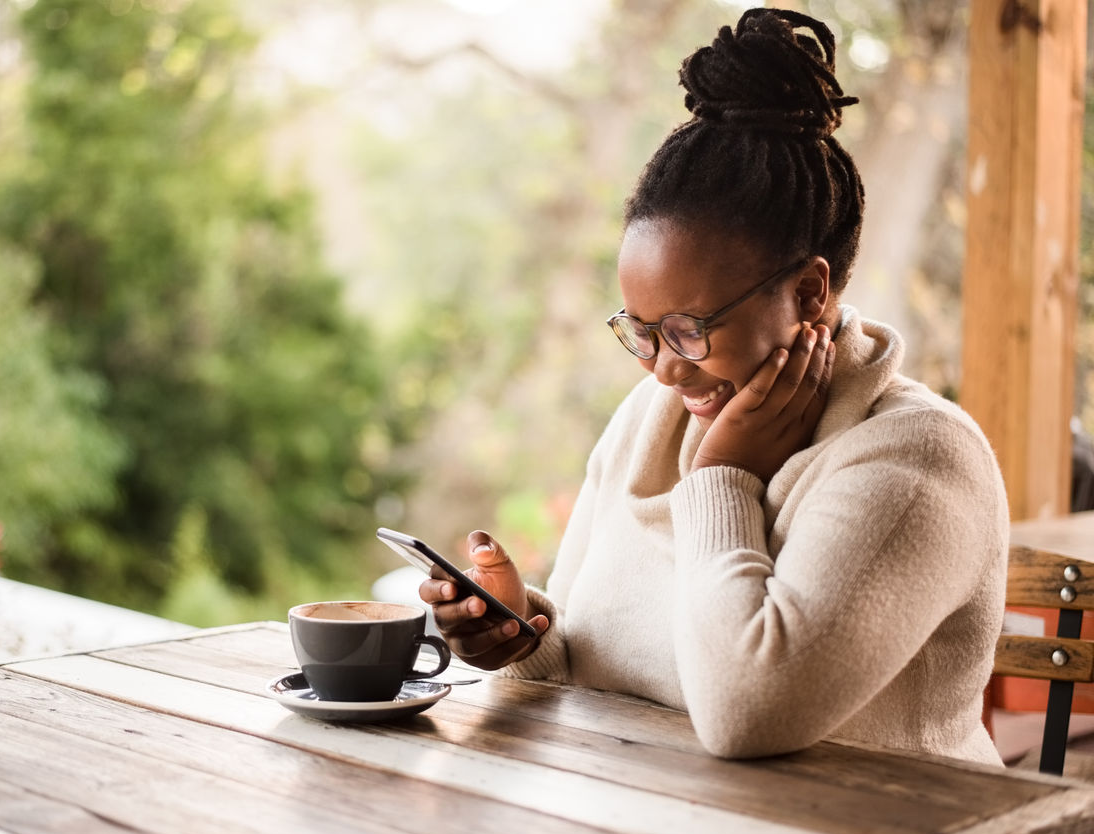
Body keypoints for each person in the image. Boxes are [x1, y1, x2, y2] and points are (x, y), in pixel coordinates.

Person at [418, 7, 1009, 765]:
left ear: (808, 294)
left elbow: (745, 716)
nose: (664, 368)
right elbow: (592, 673)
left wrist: (725, 478)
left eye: (691, 329)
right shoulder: (655, 416)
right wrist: (521, 639)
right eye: (640, 328)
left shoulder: (922, 462)